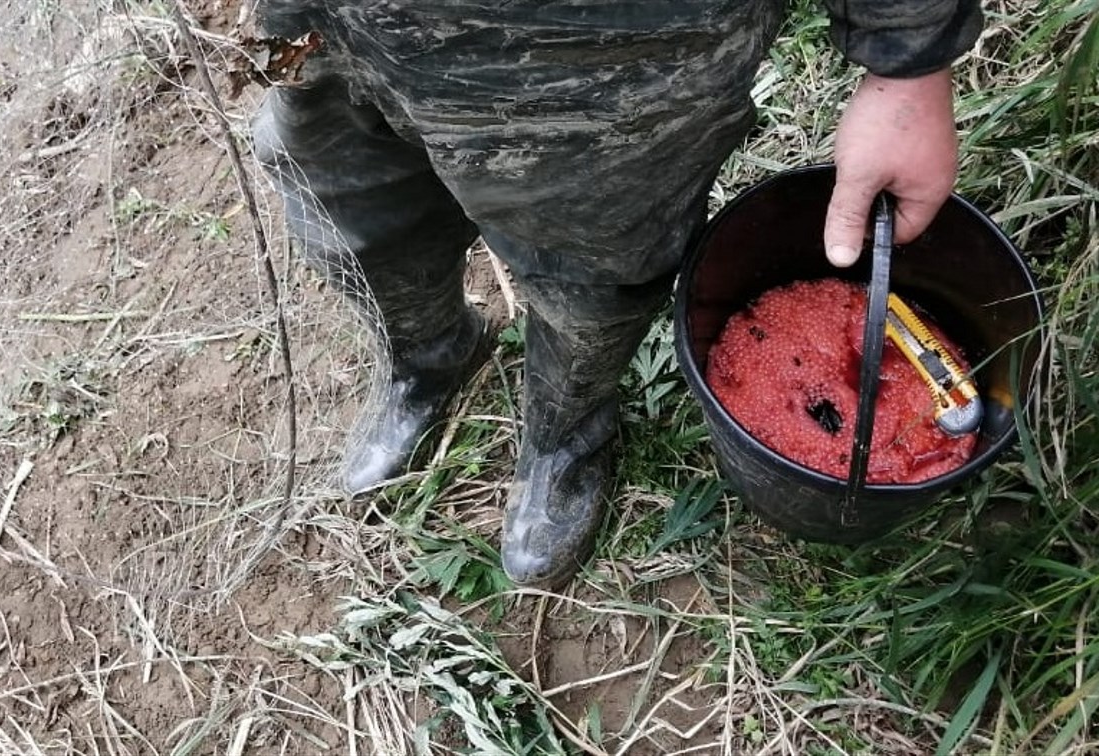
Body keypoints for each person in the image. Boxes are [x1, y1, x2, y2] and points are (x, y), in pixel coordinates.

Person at [251, 1, 982, 588]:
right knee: (345, 200)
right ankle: (430, 356)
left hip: (614, 49)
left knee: (597, 256)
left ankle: (565, 434)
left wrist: (909, 60)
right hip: (338, 22)